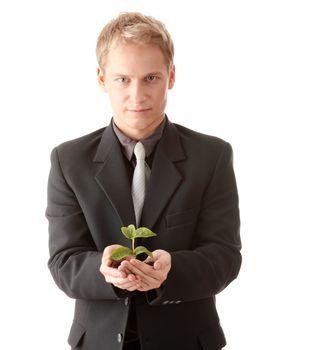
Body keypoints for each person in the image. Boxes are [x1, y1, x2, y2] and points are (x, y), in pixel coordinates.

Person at [46, 11, 241, 350]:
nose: (137, 96)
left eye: (151, 77)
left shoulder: (212, 156)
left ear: (171, 76)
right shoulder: (68, 160)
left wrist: (173, 269)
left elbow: (225, 255)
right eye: (123, 79)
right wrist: (103, 271)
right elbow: (63, 260)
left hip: (187, 340)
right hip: (98, 341)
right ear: (102, 79)